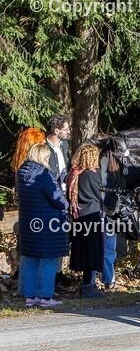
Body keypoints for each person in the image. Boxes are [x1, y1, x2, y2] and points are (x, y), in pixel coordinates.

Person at [17, 143, 69, 307]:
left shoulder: (21, 173)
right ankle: (45, 296)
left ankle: (29, 295)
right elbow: (59, 200)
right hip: (48, 224)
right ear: (42, 157)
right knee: (48, 259)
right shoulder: (44, 175)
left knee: (30, 258)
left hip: (29, 223)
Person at [68, 143, 106, 298]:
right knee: (92, 252)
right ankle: (88, 286)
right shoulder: (94, 175)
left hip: (78, 217)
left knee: (82, 251)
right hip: (93, 215)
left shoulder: (74, 173)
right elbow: (101, 196)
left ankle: (85, 284)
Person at [44, 114, 71, 192]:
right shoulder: (43, 149)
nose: (68, 132)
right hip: (52, 191)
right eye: (66, 129)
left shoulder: (65, 144)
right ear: (56, 131)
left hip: (66, 191)